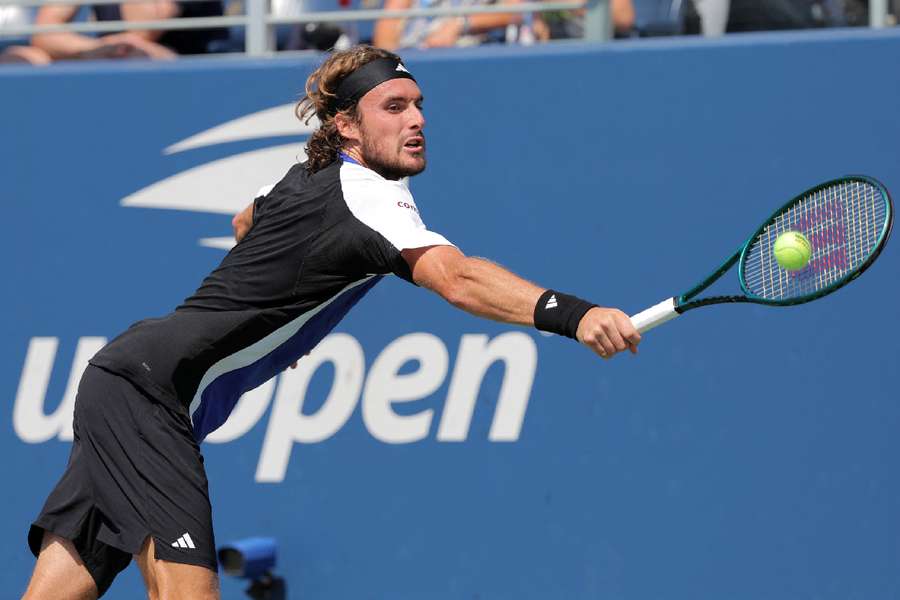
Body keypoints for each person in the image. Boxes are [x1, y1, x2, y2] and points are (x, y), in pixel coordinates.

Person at [22, 44, 641, 600]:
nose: (416, 119)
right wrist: (576, 316)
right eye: (393, 106)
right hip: (153, 391)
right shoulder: (367, 191)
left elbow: (247, 220)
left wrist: (277, 319)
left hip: (125, 376)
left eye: (418, 105)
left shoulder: (307, 177)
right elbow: (456, 278)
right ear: (346, 124)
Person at [31, 0, 227, 61]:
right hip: (110, 54)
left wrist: (108, 49)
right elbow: (44, 32)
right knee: (20, 58)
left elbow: (143, 29)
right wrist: (94, 48)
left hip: (188, 65)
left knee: (135, 54)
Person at [373, 0, 525, 49]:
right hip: (417, 61)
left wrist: (460, 24)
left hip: (474, 56)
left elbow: (517, 10)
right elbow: (385, 36)